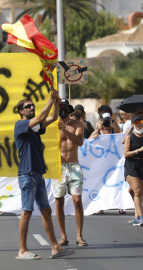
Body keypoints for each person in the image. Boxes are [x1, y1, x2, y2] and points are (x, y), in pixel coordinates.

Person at [14, 90, 75, 260]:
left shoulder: (34, 129)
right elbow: (41, 118)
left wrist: (56, 102)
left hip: (38, 174)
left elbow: (52, 118)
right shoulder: (20, 126)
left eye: (33, 105)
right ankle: (22, 250)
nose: (32, 107)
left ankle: (55, 247)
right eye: (28, 106)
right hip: (27, 174)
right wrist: (49, 100)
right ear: (21, 111)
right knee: (26, 212)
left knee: (46, 211)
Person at [54, 99, 87, 247]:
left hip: (74, 166)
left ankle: (79, 235)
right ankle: (63, 236)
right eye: (60, 107)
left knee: (77, 200)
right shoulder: (52, 125)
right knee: (59, 201)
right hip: (59, 168)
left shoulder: (77, 124)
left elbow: (79, 141)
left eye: (64, 107)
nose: (62, 109)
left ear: (69, 109)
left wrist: (64, 129)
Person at [124, 115, 143, 226]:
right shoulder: (130, 137)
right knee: (138, 191)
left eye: (140, 121)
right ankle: (141, 217)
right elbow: (126, 154)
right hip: (131, 164)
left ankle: (136, 216)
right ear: (132, 125)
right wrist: (138, 150)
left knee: (139, 192)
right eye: (136, 122)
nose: (138, 124)